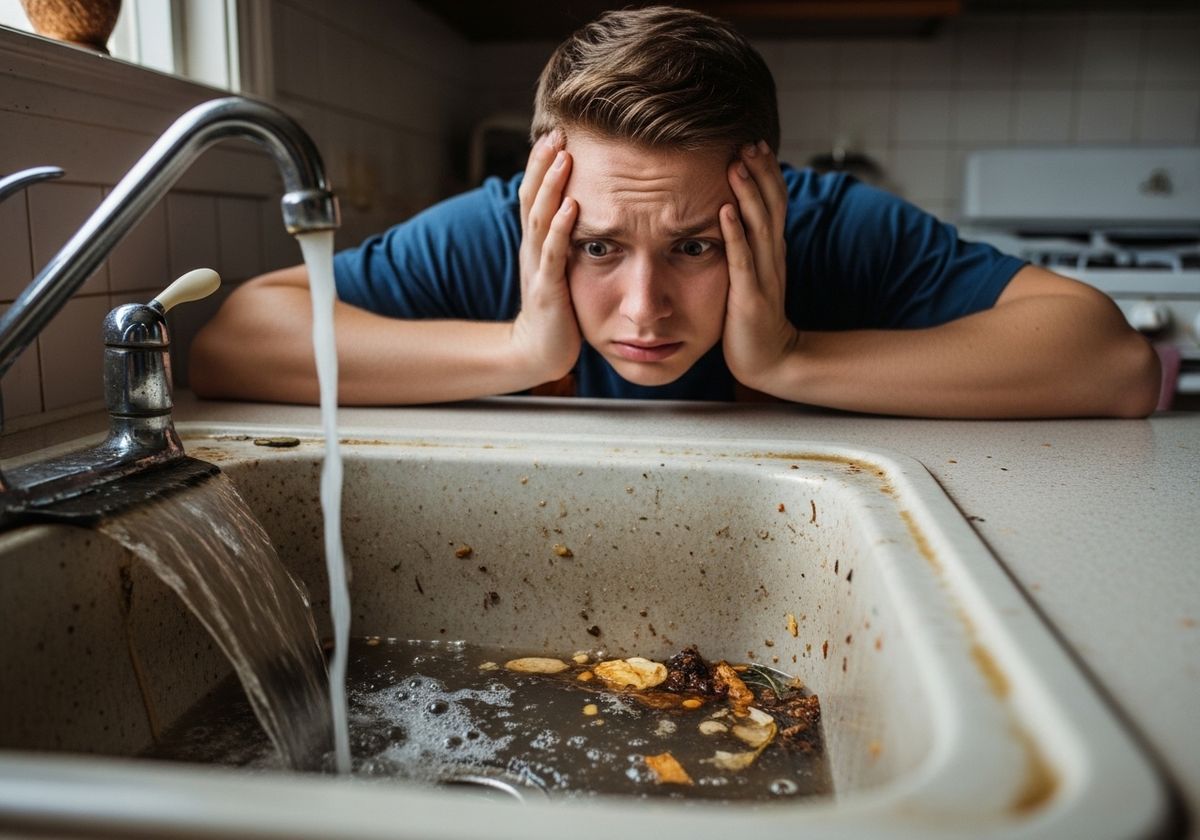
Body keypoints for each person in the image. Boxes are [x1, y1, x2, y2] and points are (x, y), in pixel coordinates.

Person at [190, 6, 1160, 419]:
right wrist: (528, 352)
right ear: (547, 191)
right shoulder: (507, 228)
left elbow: (1109, 362)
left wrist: (787, 359)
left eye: (696, 243)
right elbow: (236, 339)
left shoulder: (828, 226)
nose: (644, 308)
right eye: (601, 245)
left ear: (762, 189)